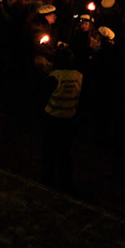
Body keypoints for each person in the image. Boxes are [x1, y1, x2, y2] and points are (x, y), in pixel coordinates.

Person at [42, 44, 84, 189]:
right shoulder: (78, 76)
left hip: (53, 118)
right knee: (65, 153)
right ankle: (65, 182)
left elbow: (43, 95)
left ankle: (48, 179)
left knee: (49, 151)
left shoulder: (55, 76)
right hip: (70, 119)